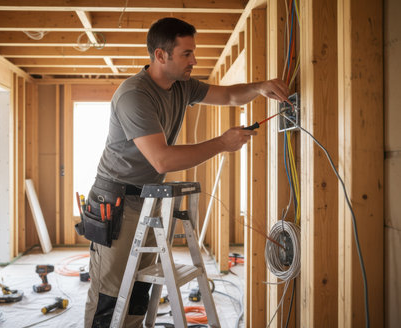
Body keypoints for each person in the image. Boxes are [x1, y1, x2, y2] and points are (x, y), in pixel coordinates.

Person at [83, 17, 289, 328]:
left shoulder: (182, 86)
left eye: (193, 52)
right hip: (116, 201)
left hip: (147, 199)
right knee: (111, 294)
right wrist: (222, 143)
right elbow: (162, 160)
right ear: (161, 56)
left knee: (138, 286)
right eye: (186, 54)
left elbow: (230, 96)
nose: (194, 60)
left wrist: (261, 88)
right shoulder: (134, 95)